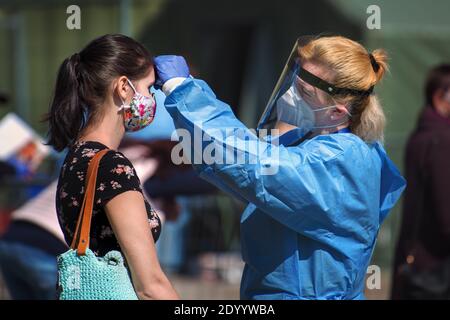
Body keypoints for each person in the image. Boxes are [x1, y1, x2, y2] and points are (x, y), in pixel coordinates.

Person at [153, 35, 406, 300]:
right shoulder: (309, 143)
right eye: (294, 81)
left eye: (305, 92)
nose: (290, 96)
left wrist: (183, 91)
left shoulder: (341, 161)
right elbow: (225, 165)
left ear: (337, 112)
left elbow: (256, 166)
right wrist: (185, 101)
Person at [44, 34, 179, 300]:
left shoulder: (76, 157)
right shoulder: (110, 165)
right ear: (124, 88)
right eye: (150, 88)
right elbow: (150, 286)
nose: (152, 99)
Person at [392, 64, 450, 299]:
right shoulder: (440, 140)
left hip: (418, 266)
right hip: (434, 273)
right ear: (439, 96)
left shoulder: (423, 135)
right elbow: (447, 216)